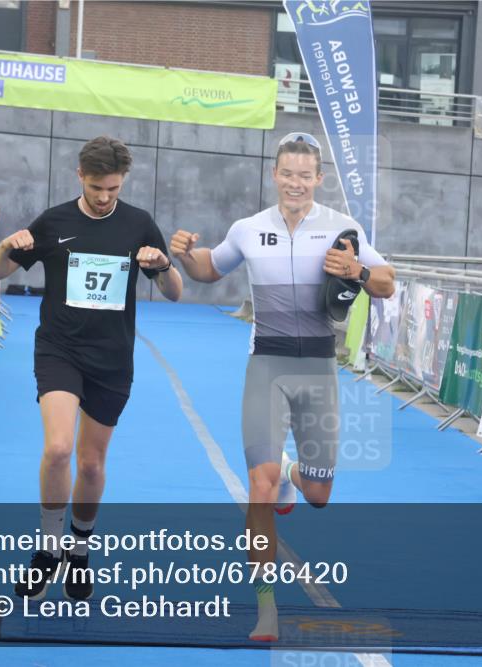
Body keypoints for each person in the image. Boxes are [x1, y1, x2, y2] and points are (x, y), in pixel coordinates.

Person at [169, 131, 396, 641]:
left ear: (319, 178)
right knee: (259, 486)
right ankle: (266, 608)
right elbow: (211, 268)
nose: (295, 183)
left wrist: (357, 269)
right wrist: (186, 255)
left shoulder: (343, 228)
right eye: (287, 174)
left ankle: (297, 471)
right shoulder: (249, 228)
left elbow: (387, 283)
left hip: (318, 368)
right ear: (275, 175)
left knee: (317, 494)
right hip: (266, 365)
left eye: (305, 175)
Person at [0, 136, 183, 601]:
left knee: (91, 464)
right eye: (96, 187)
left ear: (123, 183)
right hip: (59, 349)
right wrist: (8, 246)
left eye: (113, 189)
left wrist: (163, 265)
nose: (104, 197)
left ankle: (79, 548)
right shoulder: (54, 221)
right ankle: (48, 549)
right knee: (57, 449)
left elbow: (174, 291)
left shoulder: (138, 223)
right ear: (80, 176)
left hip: (112, 358)